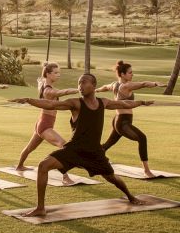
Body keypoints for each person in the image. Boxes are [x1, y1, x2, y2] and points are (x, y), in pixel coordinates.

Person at [10, 74, 151, 217]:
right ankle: (40, 208)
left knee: (112, 178)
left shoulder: (104, 102)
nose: (80, 86)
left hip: (95, 151)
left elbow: (124, 104)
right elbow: (51, 104)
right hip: (74, 149)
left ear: (94, 85)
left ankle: (131, 197)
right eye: (78, 83)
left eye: (84, 83)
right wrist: (29, 100)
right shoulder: (75, 103)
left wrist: (141, 102)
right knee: (43, 166)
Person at [96, 60, 166, 178]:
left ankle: (92, 158)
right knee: (142, 138)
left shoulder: (114, 84)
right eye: (130, 73)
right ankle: (147, 171)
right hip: (123, 122)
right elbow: (143, 84)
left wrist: (95, 90)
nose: (132, 75)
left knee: (108, 144)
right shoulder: (126, 86)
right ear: (122, 74)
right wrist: (155, 83)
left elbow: (105, 87)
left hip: (118, 120)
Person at [16, 62, 78, 185]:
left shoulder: (44, 85)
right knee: (63, 145)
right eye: (55, 73)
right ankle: (65, 177)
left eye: (59, 72)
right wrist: (79, 89)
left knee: (30, 148)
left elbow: (48, 85)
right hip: (45, 126)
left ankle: (20, 166)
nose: (58, 75)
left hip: (42, 123)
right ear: (48, 74)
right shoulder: (49, 91)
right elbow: (62, 92)